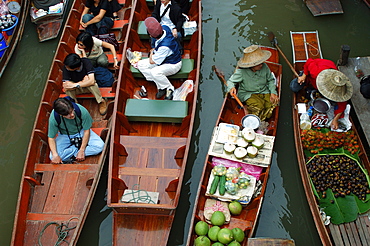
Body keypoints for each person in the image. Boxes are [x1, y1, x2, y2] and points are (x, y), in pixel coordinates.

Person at [290, 58, 353, 130]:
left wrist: (335, 120)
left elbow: (342, 104)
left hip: (328, 71)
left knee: (334, 102)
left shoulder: (340, 89)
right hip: (314, 73)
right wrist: (304, 75)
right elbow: (309, 61)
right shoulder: (316, 72)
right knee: (294, 86)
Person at [227, 45, 279, 121]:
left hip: (263, 91)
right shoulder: (241, 72)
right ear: (251, 65)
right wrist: (232, 87)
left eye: (261, 62)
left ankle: (262, 119)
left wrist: (273, 92)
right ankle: (249, 110)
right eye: (258, 64)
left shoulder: (264, 67)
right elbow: (231, 81)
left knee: (273, 103)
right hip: (248, 93)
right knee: (259, 106)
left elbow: (270, 80)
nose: (261, 65)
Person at [137, 17, 182, 100]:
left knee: (155, 72)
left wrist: (151, 52)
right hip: (162, 58)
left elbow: (152, 61)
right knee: (140, 64)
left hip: (173, 64)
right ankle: (160, 85)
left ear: (151, 35)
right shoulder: (165, 27)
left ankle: (169, 88)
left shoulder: (164, 46)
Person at [48, 98, 105, 164]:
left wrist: (82, 150)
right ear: (61, 115)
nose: (72, 115)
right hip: (65, 135)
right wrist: (55, 155)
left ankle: (74, 154)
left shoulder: (81, 110)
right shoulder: (54, 118)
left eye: (72, 111)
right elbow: (51, 138)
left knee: (100, 146)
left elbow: (86, 130)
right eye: (68, 114)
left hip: (81, 131)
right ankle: (75, 148)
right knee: (52, 156)